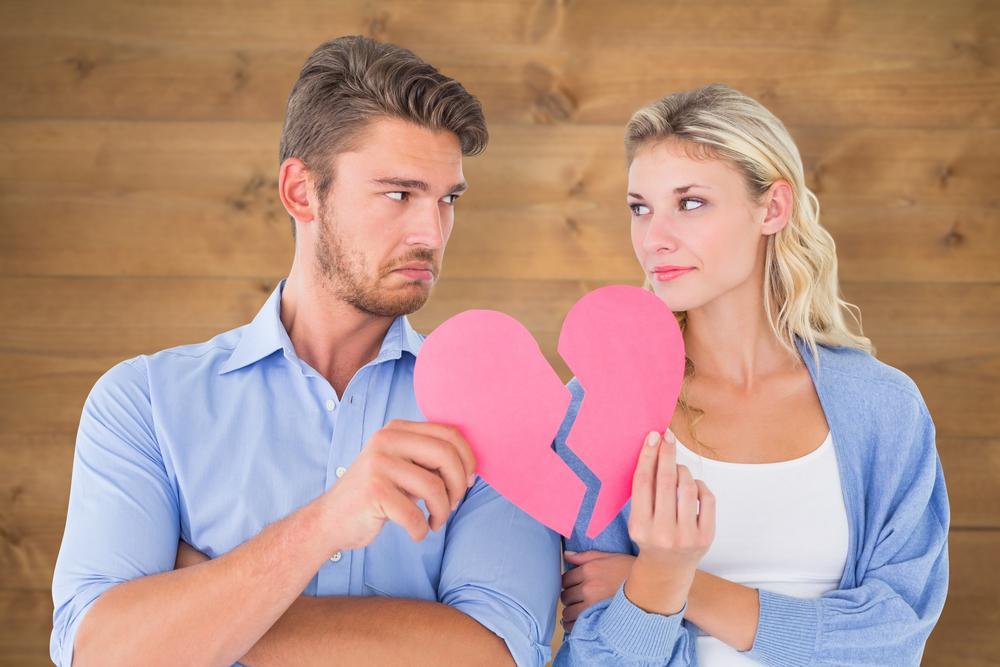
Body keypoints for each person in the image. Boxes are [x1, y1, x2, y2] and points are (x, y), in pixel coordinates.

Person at [50, 35, 560, 667]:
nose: (432, 232)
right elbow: (102, 654)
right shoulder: (144, 404)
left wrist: (204, 606)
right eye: (399, 194)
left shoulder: (496, 417)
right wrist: (326, 523)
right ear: (301, 191)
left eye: (447, 199)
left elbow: (494, 656)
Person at [553, 84, 949, 665]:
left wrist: (674, 583)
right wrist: (660, 578)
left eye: (689, 202)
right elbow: (594, 657)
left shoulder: (883, 407)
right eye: (640, 207)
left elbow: (893, 634)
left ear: (773, 208)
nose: (654, 239)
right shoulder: (599, 404)